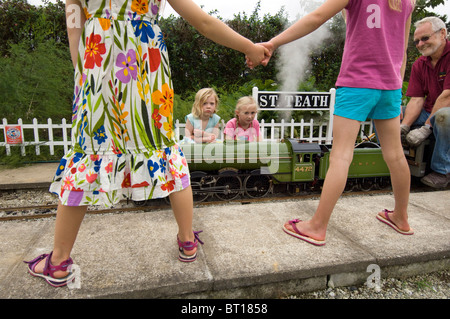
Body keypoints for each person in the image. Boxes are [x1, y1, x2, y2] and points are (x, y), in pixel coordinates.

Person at [23, 0, 268, 287]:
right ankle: (187, 242)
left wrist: (86, 77)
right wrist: (248, 47)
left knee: (89, 152)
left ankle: (59, 262)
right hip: (146, 67)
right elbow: (202, 21)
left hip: (97, 63)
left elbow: (73, 27)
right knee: (164, 149)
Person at [252, 0, 415, 245]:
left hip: (357, 82)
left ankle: (317, 226)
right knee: (395, 154)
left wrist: (273, 42)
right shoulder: (408, 0)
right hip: (390, 87)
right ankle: (401, 218)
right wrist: (396, 88)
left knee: (340, 155)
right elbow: (402, 51)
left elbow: (316, 18)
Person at [400, 17, 450, 189]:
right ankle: (398, 164)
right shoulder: (420, 64)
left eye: (425, 38)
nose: (420, 44)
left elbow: (447, 97)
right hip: (430, 111)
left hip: (445, 112)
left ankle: (442, 172)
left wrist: (425, 128)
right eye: (416, 42)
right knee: (391, 114)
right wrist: (404, 126)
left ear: (442, 33)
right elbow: (416, 99)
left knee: (444, 117)